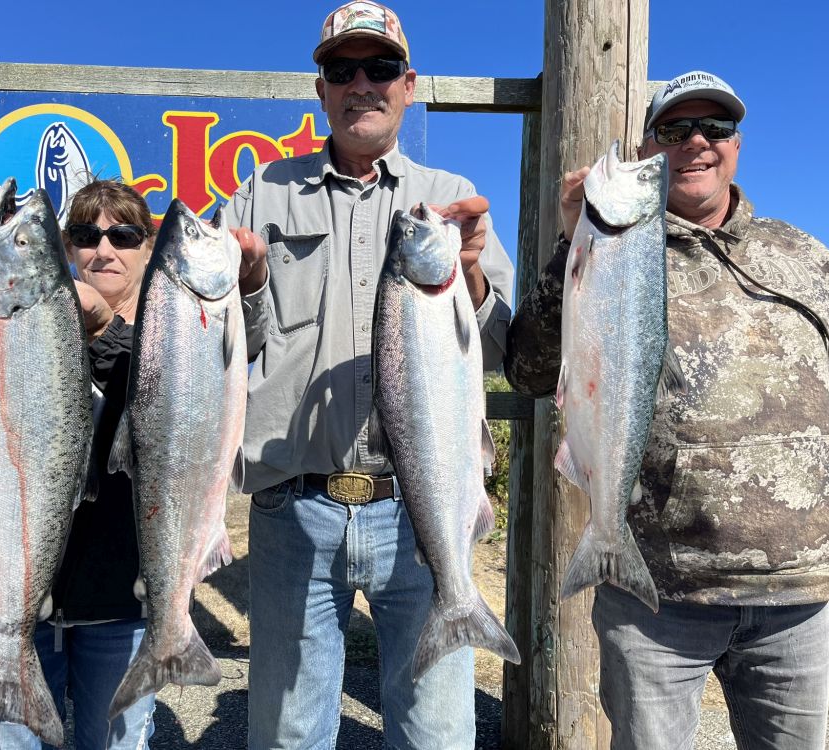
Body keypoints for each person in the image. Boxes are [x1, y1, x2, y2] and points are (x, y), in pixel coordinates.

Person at [504, 70, 829, 749]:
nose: (696, 141)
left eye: (714, 128)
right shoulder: (609, 245)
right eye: (674, 129)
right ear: (648, 148)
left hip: (797, 592)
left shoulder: (807, 258)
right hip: (655, 596)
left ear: (737, 146)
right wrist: (571, 245)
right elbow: (531, 371)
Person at [225, 2, 515, 747]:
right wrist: (251, 285)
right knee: (288, 735)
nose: (362, 84)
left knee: (437, 734)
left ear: (408, 85)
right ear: (319, 88)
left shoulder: (449, 199)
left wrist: (473, 279)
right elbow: (229, 352)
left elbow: (510, 351)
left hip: (422, 512)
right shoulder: (259, 197)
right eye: (341, 69)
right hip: (293, 509)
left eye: (380, 68)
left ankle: (461, 601)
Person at [0, 179, 158, 750]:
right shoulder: (9, 316)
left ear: (147, 246)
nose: (103, 249)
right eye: (84, 235)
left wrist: (102, 331)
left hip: (119, 600)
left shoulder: (172, 329)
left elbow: (150, 407)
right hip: (11, 600)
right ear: (67, 250)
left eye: (122, 235)